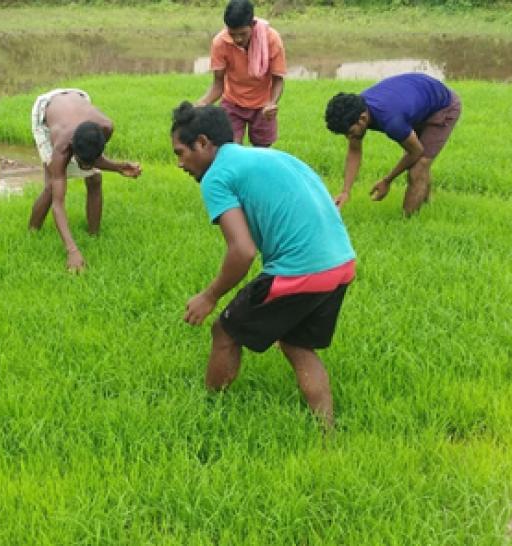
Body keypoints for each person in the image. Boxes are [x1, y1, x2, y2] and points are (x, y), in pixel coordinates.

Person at [171, 101, 356, 427]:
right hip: (341, 264)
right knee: (297, 343)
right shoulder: (266, 155)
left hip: (300, 271)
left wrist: (209, 296)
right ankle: (327, 434)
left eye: (180, 153)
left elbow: (242, 251)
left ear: (202, 143)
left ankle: (209, 416)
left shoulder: (216, 176)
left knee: (224, 331)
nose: (180, 164)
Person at [29, 88, 142, 271]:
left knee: (95, 179)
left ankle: (94, 235)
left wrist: (119, 167)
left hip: (78, 97)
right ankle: (32, 233)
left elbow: (95, 158)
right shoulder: (61, 147)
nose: (87, 167)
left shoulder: (106, 127)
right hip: (46, 109)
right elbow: (59, 204)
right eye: (83, 162)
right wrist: (72, 250)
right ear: (73, 149)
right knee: (51, 188)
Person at [323, 72, 462, 216]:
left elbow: (416, 151)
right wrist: (345, 192)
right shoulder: (355, 111)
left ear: (362, 118)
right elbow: (354, 151)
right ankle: (426, 202)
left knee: (419, 166)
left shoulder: (391, 121)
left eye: (350, 132)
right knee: (418, 162)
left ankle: (408, 223)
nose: (349, 137)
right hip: (418, 100)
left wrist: (387, 180)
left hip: (443, 106)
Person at [194, 0, 287, 147]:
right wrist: (202, 104)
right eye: (233, 34)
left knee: (262, 151)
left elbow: (278, 79)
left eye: (243, 34)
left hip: (263, 106)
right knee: (230, 148)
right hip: (233, 103)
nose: (238, 39)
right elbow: (218, 84)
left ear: (252, 25)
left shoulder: (272, 39)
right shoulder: (220, 42)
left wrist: (272, 103)